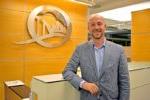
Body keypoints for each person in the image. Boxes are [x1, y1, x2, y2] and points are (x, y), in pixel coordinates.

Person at [62, 14, 130, 100]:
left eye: (99, 23)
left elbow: (124, 81)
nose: (96, 27)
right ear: (88, 28)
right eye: (92, 24)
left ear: (105, 26)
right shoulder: (80, 49)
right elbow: (67, 71)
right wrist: (83, 84)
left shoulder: (118, 50)